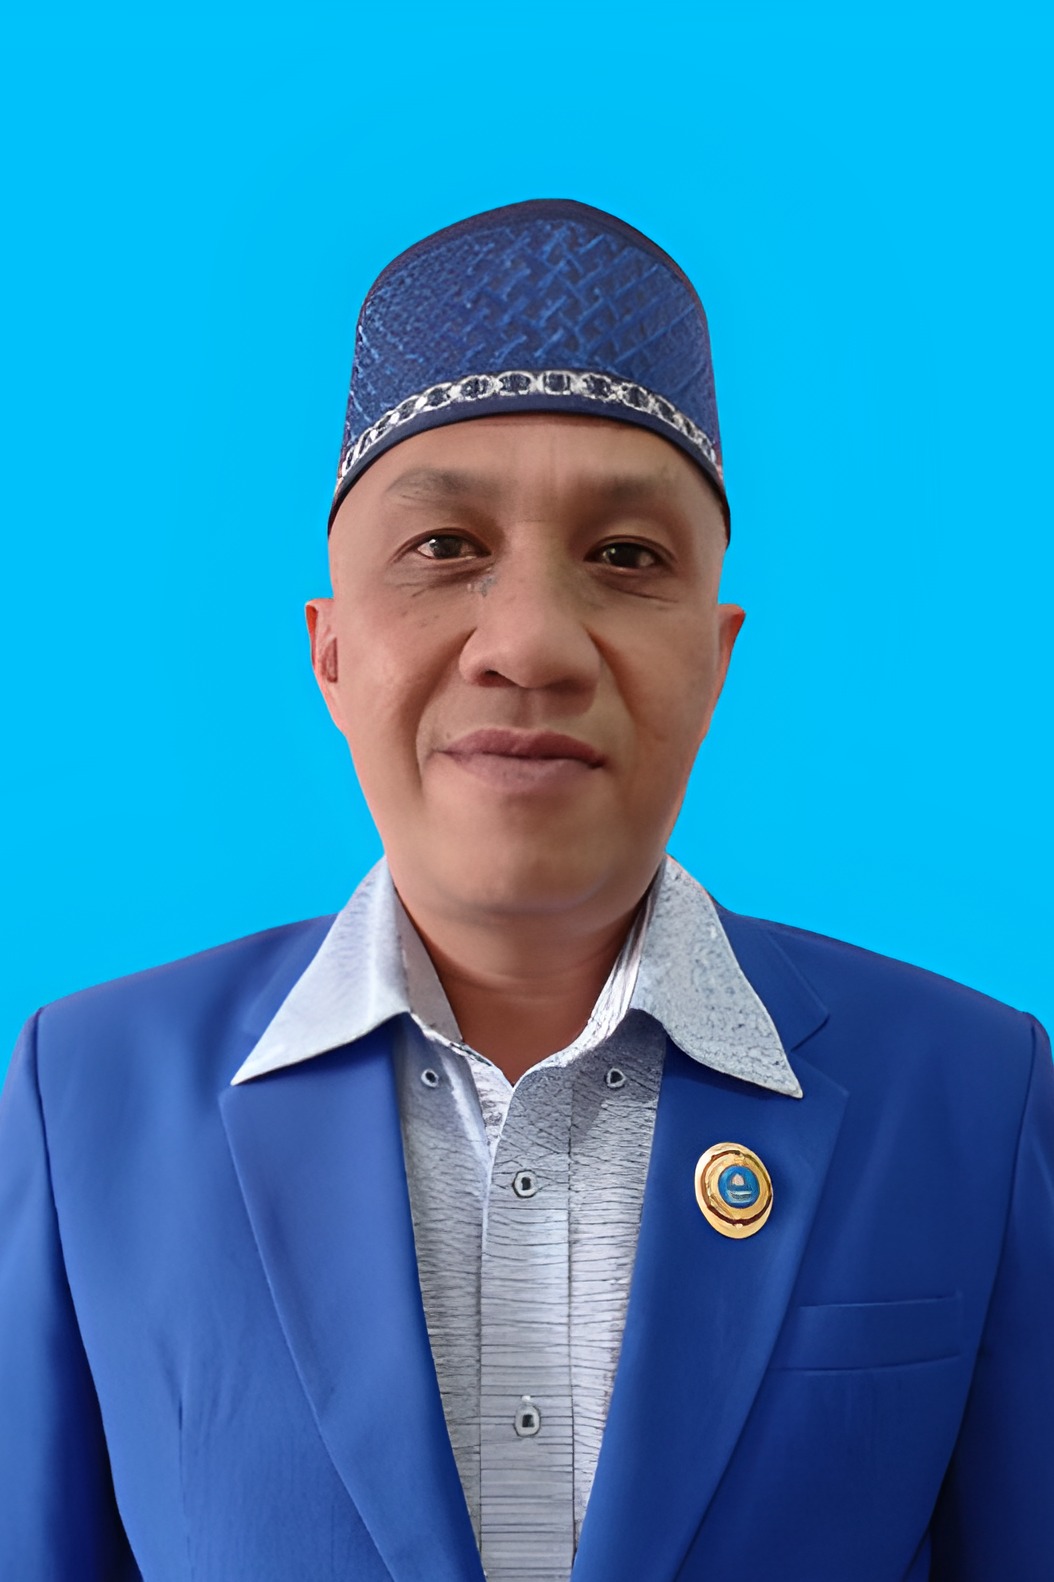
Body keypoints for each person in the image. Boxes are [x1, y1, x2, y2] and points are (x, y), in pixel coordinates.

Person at [1, 198, 1052, 1582]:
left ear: (715, 656)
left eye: (626, 557)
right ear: (330, 649)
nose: (533, 644)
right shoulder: (88, 1098)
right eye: (445, 549)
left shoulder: (971, 1093)